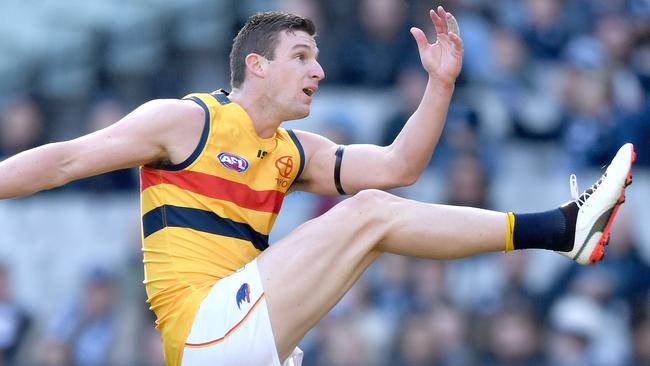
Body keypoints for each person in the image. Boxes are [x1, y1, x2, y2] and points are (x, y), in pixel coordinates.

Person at [0, 6, 636, 366]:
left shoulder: (293, 151)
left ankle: (560, 230)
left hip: (247, 340)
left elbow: (398, 168)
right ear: (257, 65)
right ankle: (558, 229)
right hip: (204, 335)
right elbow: (61, 161)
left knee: (374, 211)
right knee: (366, 217)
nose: (319, 70)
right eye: (301, 57)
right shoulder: (186, 119)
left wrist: (440, 86)